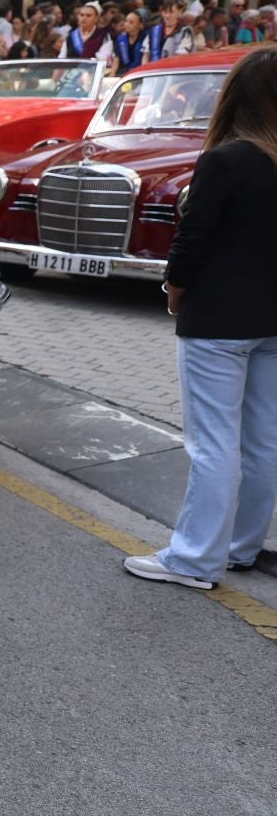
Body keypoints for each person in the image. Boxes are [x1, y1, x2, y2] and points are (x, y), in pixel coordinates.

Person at [125, 49, 277, 590]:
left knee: (213, 444)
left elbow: (192, 240)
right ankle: (240, 546)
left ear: (235, 96)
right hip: (272, 322)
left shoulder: (225, 160)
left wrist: (174, 290)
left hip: (217, 320)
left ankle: (193, 559)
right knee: (262, 441)